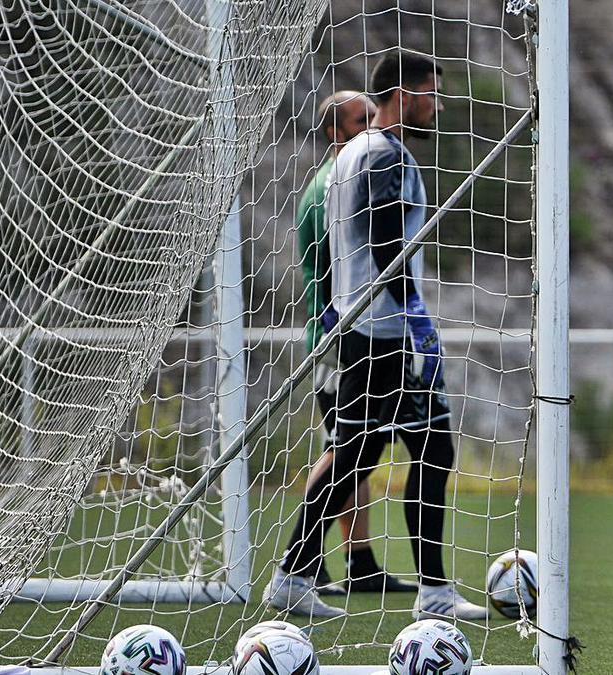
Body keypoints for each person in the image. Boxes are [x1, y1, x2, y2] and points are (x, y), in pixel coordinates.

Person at [264, 51, 489, 621]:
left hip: (362, 325)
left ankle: (313, 575)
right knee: (386, 452)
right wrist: (419, 326)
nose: (437, 106)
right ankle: (309, 576)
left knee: (386, 451)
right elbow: (389, 249)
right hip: (380, 329)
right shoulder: (385, 153)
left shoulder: (355, 155)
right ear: (404, 95)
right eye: (430, 94)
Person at [279, 89, 418, 606]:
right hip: (342, 337)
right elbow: (346, 270)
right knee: (346, 449)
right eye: (363, 120)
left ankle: (358, 564)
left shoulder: (353, 179)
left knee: (357, 448)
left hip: (358, 331)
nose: (375, 127)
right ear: (336, 132)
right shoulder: (329, 189)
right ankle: (304, 562)